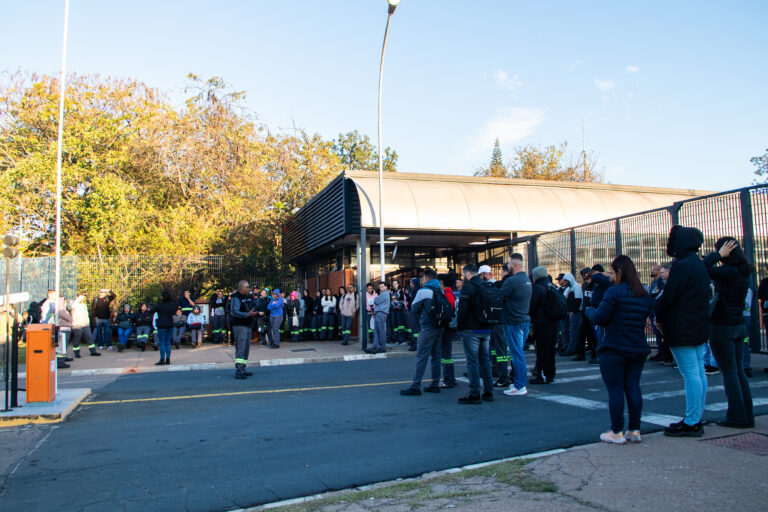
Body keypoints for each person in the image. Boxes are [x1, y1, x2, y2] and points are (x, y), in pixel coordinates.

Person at [586, 255, 653, 444]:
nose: (610, 275)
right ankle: (635, 429)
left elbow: (600, 317)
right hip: (637, 346)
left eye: (612, 271)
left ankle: (617, 431)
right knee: (633, 386)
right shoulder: (643, 294)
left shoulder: (614, 292)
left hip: (614, 346)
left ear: (619, 271)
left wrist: (589, 311)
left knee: (615, 389)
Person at [654, 225, 711, 437]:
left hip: (681, 326)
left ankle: (692, 421)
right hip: (696, 324)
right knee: (698, 371)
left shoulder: (682, 265)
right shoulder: (698, 264)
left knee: (690, 374)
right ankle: (695, 417)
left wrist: (658, 314)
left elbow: (669, 296)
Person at [704, 238, 754, 428]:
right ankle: (747, 415)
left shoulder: (726, 272)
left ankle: (737, 416)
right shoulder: (743, 270)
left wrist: (716, 256)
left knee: (730, 372)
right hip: (738, 324)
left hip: (722, 325)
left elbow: (701, 269)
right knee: (738, 370)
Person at [400, 270, 445, 395]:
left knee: (422, 356)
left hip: (427, 326)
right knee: (436, 356)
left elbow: (413, 308)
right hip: (439, 327)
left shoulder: (423, 291)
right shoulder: (440, 291)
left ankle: (416, 385)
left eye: (423, 278)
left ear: (426, 278)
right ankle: (435, 384)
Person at [455, 264, 494, 403]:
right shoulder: (485, 286)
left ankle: (474, 393)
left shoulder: (468, 287)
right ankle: (488, 392)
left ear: (467, 274)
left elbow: (462, 309)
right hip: (486, 328)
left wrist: (459, 326)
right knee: (485, 361)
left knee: (472, 361)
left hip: (471, 329)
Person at [501, 254, 533, 397]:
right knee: (518, 353)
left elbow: (499, 297)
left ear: (513, 265)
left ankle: (520, 385)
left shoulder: (512, 281)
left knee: (517, 354)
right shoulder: (526, 280)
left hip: (513, 321)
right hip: (524, 320)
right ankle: (518, 383)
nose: (507, 266)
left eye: (508, 263)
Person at [527, 267, 558, 385]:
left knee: (541, 350)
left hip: (541, 323)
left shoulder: (537, 288)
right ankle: (550, 373)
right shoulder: (552, 286)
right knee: (550, 350)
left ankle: (543, 375)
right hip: (552, 322)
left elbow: (532, 306)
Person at [230, 281, 257, 379]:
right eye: (247, 287)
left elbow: (251, 306)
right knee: (241, 348)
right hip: (240, 325)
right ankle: (239, 371)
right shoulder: (236, 297)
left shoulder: (248, 296)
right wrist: (247, 314)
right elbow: (234, 312)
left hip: (248, 325)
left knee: (246, 348)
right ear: (241, 288)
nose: (249, 288)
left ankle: (243, 369)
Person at [574, 268, 599, 364]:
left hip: (592, 312)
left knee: (592, 335)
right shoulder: (585, 285)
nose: (586, 279)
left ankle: (594, 354)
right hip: (585, 313)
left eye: (588, 277)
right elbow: (584, 299)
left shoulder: (596, 286)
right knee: (581, 334)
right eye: (584, 277)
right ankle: (581, 354)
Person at [439, 274, 458, 388]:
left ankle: (448, 379)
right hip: (448, 327)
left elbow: (448, 312)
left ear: (442, 282)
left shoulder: (447, 295)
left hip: (447, 328)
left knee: (446, 354)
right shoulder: (450, 293)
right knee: (446, 353)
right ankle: (451, 378)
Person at [152, 290, 176, 365]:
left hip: (162, 325)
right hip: (170, 324)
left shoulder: (159, 305)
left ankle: (162, 359)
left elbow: (152, 310)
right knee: (168, 343)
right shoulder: (172, 305)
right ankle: (168, 359)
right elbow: (174, 312)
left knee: (162, 342)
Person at [368, 282, 390, 354]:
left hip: (381, 313)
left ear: (386, 287)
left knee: (380, 331)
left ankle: (382, 347)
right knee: (376, 331)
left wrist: (375, 299)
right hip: (379, 313)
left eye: (382, 286)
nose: (381, 288)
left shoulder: (385, 293)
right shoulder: (383, 293)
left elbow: (376, 301)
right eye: (380, 287)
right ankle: (375, 347)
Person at [389, 279, 407, 344]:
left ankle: (401, 339)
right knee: (394, 324)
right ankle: (395, 339)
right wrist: (395, 299)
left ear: (398, 284)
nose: (394, 285)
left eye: (395, 284)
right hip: (393, 310)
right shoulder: (391, 292)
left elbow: (402, 299)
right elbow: (390, 299)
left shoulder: (401, 291)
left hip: (400, 310)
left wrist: (395, 299)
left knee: (400, 325)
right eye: (393, 284)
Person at [406, 277, 421, 351]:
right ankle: (413, 341)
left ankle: (415, 344)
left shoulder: (417, 291)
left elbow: (414, 301)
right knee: (412, 328)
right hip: (412, 311)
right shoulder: (413, 291)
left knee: (415, 329)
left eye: (411, 283)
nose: (410, 284)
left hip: (415, 313)